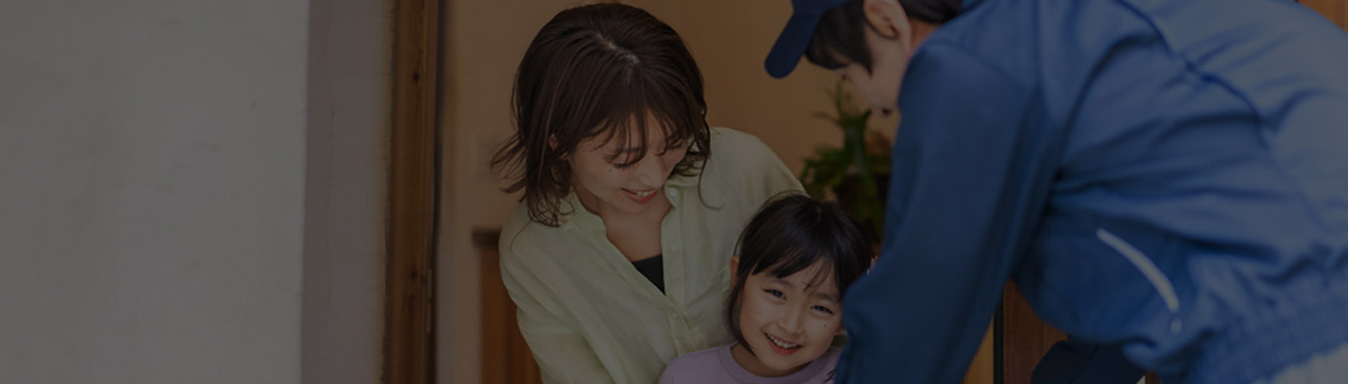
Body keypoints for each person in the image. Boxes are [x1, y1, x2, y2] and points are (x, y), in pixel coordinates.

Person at [762, 0, 1348, 382]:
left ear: (885, 15)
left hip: (1293, 320)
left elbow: (916, 316)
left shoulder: (966, 64)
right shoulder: (1070, 34)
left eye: (850, 74)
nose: (878, 106)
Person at [493, 3, 805, 383]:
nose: (652, 177)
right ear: (557, 140)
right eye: (623, 159)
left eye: (672, 143)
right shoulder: (533, 248)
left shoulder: (744, 168)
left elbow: (827, 295)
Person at [659, 194, 873, 384]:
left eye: (821, 308)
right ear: (738, 279)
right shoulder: (686, 377)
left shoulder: (859, 374)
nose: (791, 326)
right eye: (777, 294)